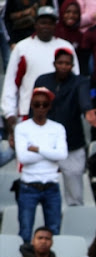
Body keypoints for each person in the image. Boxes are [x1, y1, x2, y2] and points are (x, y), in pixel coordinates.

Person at [2, 7, 79, 142]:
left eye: (50, 23)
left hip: (61, 116)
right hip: (29, 114)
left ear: (55, 25)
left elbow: (76, 82)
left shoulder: (66, 47)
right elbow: (11, 83)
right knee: (29, 159)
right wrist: (9, 113)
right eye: (43, 22)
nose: (46, 26)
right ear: (35, 24)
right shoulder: (22, 48)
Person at [34, 47, 96, 207]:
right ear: (54, 63)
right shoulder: (43, 80)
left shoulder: (80, 81)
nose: (63, 66)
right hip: (45, 144)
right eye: (60, 63)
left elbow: (84, 99)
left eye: (67, 64)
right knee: (40, 191)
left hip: (72, 144)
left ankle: (74, 225)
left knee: (75, 195)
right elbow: (34, 108)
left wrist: (88, 111)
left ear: (72, 65)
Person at [13, 87, 68, 243]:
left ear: (50, 106)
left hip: (51, 185)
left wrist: (36, 149)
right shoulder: (22, 128)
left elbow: (62, 155)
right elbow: (23, 157)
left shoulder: (57, 128)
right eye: (37, 104)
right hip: (28, 186)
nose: (41, 108)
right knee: (25, 231)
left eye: (44, 104)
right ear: (31, 105)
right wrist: (49, 153)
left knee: (54, 231)